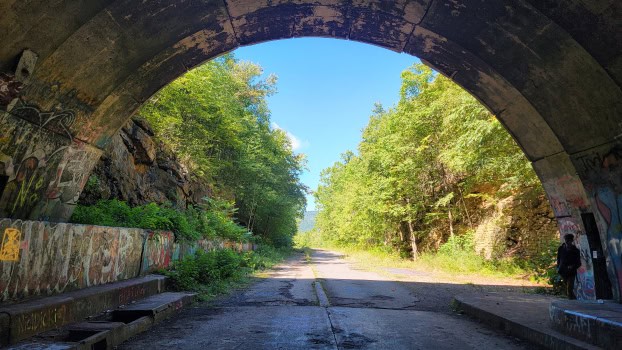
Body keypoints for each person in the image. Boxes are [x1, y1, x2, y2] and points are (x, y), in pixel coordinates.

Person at [557, 234, 581, 299]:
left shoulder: (575, 251)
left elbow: (579, 263)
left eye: (569, 240)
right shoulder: (561, 249)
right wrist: (558, 267)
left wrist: (572, 266)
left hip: (571, 272)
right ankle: (573, 300)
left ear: (572, 241)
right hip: (562, 271)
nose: (567, 242)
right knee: (567, 289)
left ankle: (572, 303)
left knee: (569, 289)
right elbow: (558, 259)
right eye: (566, 240)